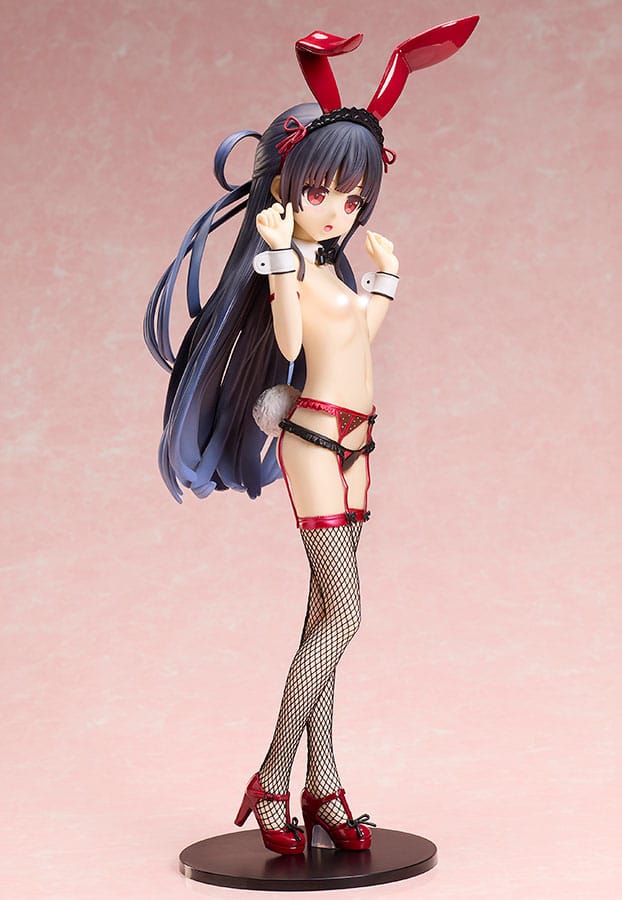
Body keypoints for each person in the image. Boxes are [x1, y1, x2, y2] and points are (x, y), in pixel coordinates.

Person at [145, 21, 478, 856]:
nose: (337, 212)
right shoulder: (291, 266)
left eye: (352, 200)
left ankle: (321, 782)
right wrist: (276, 261)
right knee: (347, 611)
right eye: (322, 193)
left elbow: (360, 331)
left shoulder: (334, 269)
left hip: (358, 444)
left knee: (322, 614)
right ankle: (271, 773)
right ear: (287, 187)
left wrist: (387, 276)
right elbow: (292, 343)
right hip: (316, 445)